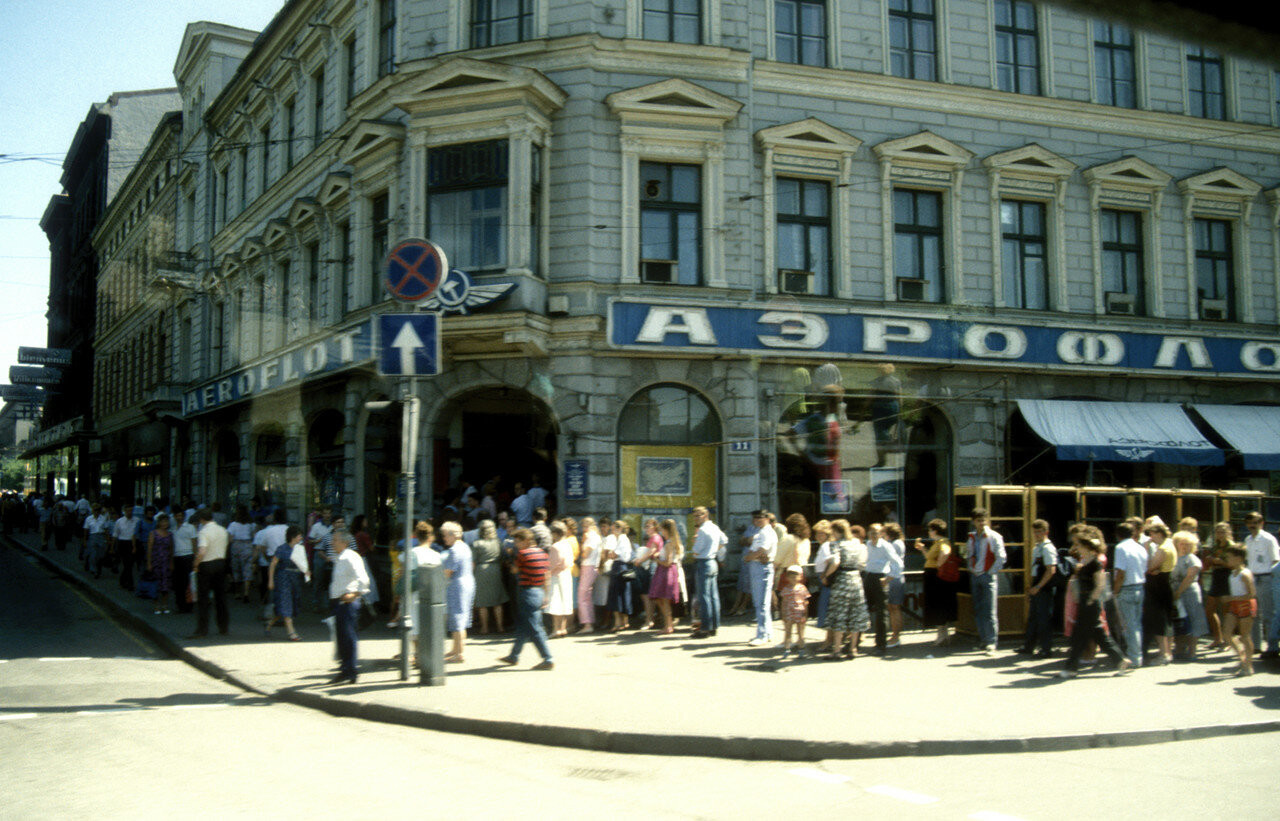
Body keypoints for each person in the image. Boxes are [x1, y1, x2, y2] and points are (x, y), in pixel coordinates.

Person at [1058, 535, 1131, 678]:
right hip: (1086, 601)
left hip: (1091, 602)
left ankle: (1071, 667)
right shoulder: (1086, 562)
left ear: (1089, 548)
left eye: (1080, 546)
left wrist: (1092, 598)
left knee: (1079, 635)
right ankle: (1120, 660)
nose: (1077, 549)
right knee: (1098, 634)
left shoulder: (1096, 564)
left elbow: (1100, 583)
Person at [498, 528, 555, 670]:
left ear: (526, 540)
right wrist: (546, 595)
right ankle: (514, 656)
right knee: (525, 626)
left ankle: (548, 658)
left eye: (518, 541)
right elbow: (547, 575)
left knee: (535, 628)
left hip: (527, 592)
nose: (516, 544)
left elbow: (514, 571)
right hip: (539, 591)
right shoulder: (542, 553)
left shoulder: (522, 554)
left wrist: (511, 557)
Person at [823, 519, 870, 660]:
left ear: (837, 531)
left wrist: (826, 574)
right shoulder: (856, 543)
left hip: (842, 580)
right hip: (856, 578)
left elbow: (836, 562)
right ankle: (853, 649)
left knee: (839, 613)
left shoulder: (835, 544)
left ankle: (836, 650)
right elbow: (863, 561)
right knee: (855, 612)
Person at [329, 530, 371, 685]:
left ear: (344, 542)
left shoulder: (351, 557)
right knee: (341, 638)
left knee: (349, 638)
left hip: (347, 604)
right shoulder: (339, 557)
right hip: (338, 603)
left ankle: (351, 672)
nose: (332, 543)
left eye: (335, 540)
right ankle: (344, 670)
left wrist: (354, 595)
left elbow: (363, 578)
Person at [965, 508, 1005, 653]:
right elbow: (969, 555)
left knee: (989, 610)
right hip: (975, 575)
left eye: (983, 520)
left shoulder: (994, 536)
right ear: (974, 522)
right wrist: (971, 568)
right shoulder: (972, 537)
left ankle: (991, 641)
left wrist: (990, 572)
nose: (981, 523)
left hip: (987, 576)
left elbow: (1002, 557)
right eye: (978, 520)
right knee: (978, 609)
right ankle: (983, 639)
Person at [1242, 512, 1279, 659]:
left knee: (1268, 614)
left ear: (1261, 523)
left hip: (1266, 578)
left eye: (1255, 522)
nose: (1252, 525)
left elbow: (1275, 561)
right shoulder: (1248, 539)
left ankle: (1272, 647)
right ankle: (1256, 646)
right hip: (1252, 578)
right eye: (1250, 523)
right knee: (1254, 614)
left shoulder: (1269, 539)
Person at [1018, 519, 1057, 657]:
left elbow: (1051, 570)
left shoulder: (1048, 548)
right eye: (1035, 532)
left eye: (1039, 532)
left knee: (1043, 620)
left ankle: (1046, 649)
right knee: (1033, 618)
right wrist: (1031, 585)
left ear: (1046, 532)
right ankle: (1029, 646)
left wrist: (1039, 587)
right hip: (1036, 584)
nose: (1037, 534)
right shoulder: (1037, 547)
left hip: (1044, 587)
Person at [1112, 521, 1147, 668]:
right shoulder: (1140, 548)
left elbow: (1121, 572)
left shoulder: (1120, 548)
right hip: (1140, 586)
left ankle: (1134, 657)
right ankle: (1137, 654)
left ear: (1118, 534)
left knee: (1129, 625)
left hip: (1126, 588)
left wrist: (1115, 591)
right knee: (1136, 624)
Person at [915, 518, 955, 647]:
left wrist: (939, 564)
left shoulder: (942, 541)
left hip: (936, 577)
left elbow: (946, 551)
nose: (928, 532)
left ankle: (941, 636)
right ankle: (943, 636)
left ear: (934, 530)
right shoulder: (937, 542)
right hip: (933, 576)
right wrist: (922, 549)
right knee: (937, 605)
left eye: (930, 530)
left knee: (937, 605)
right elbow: (929, 557)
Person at [190, 509, 230, 638]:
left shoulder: (203, 532)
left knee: (203, 599)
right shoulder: (223, 530)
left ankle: (202, 629)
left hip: (206, 565)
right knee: (221, 598)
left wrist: (196, 564)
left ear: (201, 520)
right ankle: (223, 627)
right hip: (220, 563)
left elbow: (202, 551)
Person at [439, 521, 475, 662]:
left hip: (457, 586)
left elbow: (448, 572)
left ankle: (459, 654)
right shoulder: (465, 546)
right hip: (467, 583)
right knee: (462, 617)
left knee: (457, 618)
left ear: (452, 535)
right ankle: (456, 650)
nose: (444, 538)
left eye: (445, 535)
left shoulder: (454, 550)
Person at [690, 506, 727, 639]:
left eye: (698, 515)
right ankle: (714, 626)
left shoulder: (703, 530)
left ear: (705, 515)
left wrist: (695, 543)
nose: (696, 518)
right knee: (713, 596)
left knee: (704, 597)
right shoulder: (714, 527)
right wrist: (714, 550)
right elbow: (724, 540)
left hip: (703, 562)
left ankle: (705, 628)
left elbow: (696, 550)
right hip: (712, 561)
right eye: (695, 515)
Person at [266, 525, 308, 641]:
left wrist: (306, 572)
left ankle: (270, 623)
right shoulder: (281, 548)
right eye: (299, 535)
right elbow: (273, 564)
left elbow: (303, 565)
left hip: (295, 579)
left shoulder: (300, 549)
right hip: (283, 578)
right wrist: (270, 580)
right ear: (293, 536)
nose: (301, 537)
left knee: (289, 606)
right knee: (286, 604)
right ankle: (292, 632)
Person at [743, 510, 778, 647]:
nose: (757, 520)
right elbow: (754, 550)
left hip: (762, 568)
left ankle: (762, 635)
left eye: (760, 518)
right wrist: (752, 556)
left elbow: (761, 551)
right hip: (758, 566)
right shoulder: (760, 532)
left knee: (761, 603)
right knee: (762, 603)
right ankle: (767, 633)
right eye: (755, 518)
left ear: (767, 519)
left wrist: (748, 558)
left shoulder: (766, 532)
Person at [1143, 521, 1176, 665]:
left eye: (1152, 534)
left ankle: (1164, 654)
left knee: (1159, 621)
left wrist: (1146, 549)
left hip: (1158, 586)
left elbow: (1149, 567)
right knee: (1165, 620)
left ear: (1159, 534)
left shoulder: (1163, 549)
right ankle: (1167, 652)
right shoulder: (1170, 544)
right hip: (1164, 583)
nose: (1150, 537)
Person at [1171, 530, 1207, 660]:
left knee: (1193, 620)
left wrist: (1178, 592)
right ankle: (1179, 648)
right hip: (1175, 592)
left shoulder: (1193, 559)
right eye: (1181, 543)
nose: (1184, 546)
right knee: (1179, 621)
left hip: (1189, 592)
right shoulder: (1174, 557)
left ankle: (1192, 652)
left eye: (1187, 544)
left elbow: (1190, 577)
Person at [1202, 521, 1235, 651]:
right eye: (1217, 532)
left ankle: (1228, 640)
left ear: (1228, 533)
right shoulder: (1215, 545)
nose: (1220, 534)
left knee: (1226, 611)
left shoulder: (1231, 546)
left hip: (1227, 577)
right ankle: (1217, 638)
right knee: (1210, 609)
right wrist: (1210, 560)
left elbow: (1233, 564)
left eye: (1222, 532)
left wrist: (1219, 561)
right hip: (1216, 576)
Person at [471, 519, 508, 634]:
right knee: (497, 601)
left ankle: (484, 628)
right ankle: (500, 627)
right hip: (495, 570)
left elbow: (473, 562)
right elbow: (503, 558)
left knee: (482, 603)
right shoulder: (498, 542)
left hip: (481, 571)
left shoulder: (476, 544)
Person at [649, 519, 684, 634]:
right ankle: (668, 624)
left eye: (662, 530)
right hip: (668, 571)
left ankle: (668, 625)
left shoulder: (669, 543)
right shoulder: (673, 542)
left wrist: (657, 559)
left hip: (666, 571)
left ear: (666, 530)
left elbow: (668, 562)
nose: (661, 532)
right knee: (662, 599)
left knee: (663, 599)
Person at [862, 523, 893, 655]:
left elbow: (898, 563)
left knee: (881, 613)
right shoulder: (866, 545)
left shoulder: (886, 546)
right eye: (872, 532)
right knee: (862, 610)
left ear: (881, 534)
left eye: (877, 532)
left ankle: (881, 645)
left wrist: (888, 578)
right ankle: (855, 643)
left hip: (881, 578)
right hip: (868, 577)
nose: (874, 535)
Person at [545, 522, 575, 637]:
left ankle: (555, 629)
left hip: (556, 576)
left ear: (555, 533)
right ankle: (563, 628)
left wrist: (546, 574)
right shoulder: (567, 544)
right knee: (564, 602)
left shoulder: (555, 546)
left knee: (556, 603)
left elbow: (551, 565)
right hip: (566, 575)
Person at [606, 519, 636, 632]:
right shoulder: (624, 539)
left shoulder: (622, 539)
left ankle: (618, 622)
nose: (612, 531)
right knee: (625, 593)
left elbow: (613, 555)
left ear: (619, 529)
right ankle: (625, 621)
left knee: (616, 594)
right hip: (625, 567)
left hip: (618, 567)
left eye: (614, 529)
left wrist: (610, 554)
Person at [881, 522, 907, 647]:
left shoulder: (895, 544)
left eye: (884, 532)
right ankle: (895, 636)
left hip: (894, 579)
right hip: (894, 578)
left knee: (894, 608)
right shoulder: (896, 543)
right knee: (892, 607)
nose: (882, 535)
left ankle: (896, 637)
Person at [778, 565, 810, 658]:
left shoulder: (802, 588)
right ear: (787, 577)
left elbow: (805, 602)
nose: (793, 578)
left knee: (800, 632)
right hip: (789, 613)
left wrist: (805, 614)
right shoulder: (786, 589)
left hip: (800, 613)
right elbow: (783, 602)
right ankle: (787, 649)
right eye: (791, 576)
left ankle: (801, 649)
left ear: (800, 577)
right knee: (788, 631)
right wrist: (783, 614)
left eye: (795, 576)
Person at [576, 517, 601, 634]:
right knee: (587, 596)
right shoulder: (596, 536)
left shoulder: (591, 537)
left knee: (582, 595)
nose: (584, 529)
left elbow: (586, 554)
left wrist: (582, 544)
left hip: (588, 566)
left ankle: (587, 624)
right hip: (592, 566)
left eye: (585, 526)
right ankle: (590, 621)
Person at [146, 514, 175, 615]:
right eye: (162, 522)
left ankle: (165, 604)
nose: (164, 524)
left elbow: (171, 549)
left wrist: (171, 562)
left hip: (166, 562)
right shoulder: (153, 533)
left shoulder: (170, 534)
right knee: (156, 585)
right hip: (156, 562)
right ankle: (156, 606)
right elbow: (149, 549)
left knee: (166, 585)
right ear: (158, 523)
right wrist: (149, 563)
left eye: (166, 522)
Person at [226, 507, 255, 603]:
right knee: (247, 569)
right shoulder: (250, 525)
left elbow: (230, 539)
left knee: (236, 569)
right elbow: (253, 536)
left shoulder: (233, 525)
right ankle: (246, 593)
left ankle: (238, 592)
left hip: (236, 546)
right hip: (247, 546)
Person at [171, 510, 197, 613]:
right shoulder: (172, 529)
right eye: (177, 515)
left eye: (181, 515)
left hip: (188, 556)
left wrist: (195, 559)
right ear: (174, 517)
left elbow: (194, 543)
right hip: (177, 557)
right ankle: (180, 605)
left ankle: (188, 605)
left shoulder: (190, 527)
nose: (179, 517)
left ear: (184, 516)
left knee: (188, 583)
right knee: (178, 583)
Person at [112, 506, 140, 592]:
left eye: (131, 510)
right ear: (124, 511)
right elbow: (115, 535)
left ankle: (124, 581)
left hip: (133, 543)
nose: (129, 512)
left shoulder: (137, 520)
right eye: (128, 510)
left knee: (130, 564)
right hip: (123, 543)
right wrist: (112, 547)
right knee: (126, 564)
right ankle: (129, 583)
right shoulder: (119, 521)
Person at [82, 504, 110, 579]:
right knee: (93, 554)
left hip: (101, 536)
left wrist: (108, 540)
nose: (96, 512)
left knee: (100, 555)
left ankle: (98, 567)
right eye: (95, 510)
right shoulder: (88, 519)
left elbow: (106, 529)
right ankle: (95, 570)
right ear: (92, 511)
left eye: (98, 510)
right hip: (92, 536)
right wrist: (84, 540)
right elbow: (86, 530)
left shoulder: (103, 518)